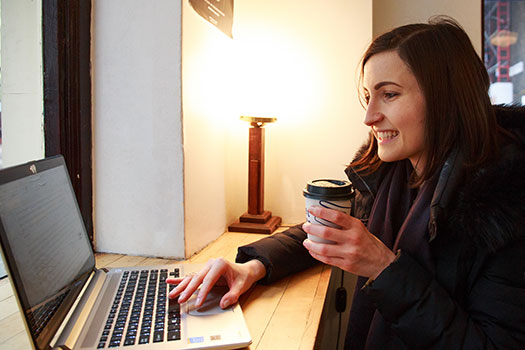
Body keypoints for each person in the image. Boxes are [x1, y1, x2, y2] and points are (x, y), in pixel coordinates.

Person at [167, 16, 525, 349]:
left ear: (447, 99)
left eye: (390, 94)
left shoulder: (506, 206)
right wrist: (252, 267)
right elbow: (330, 228)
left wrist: (384, 268)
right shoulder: (391, 173)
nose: (369, 116)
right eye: (369, 96)